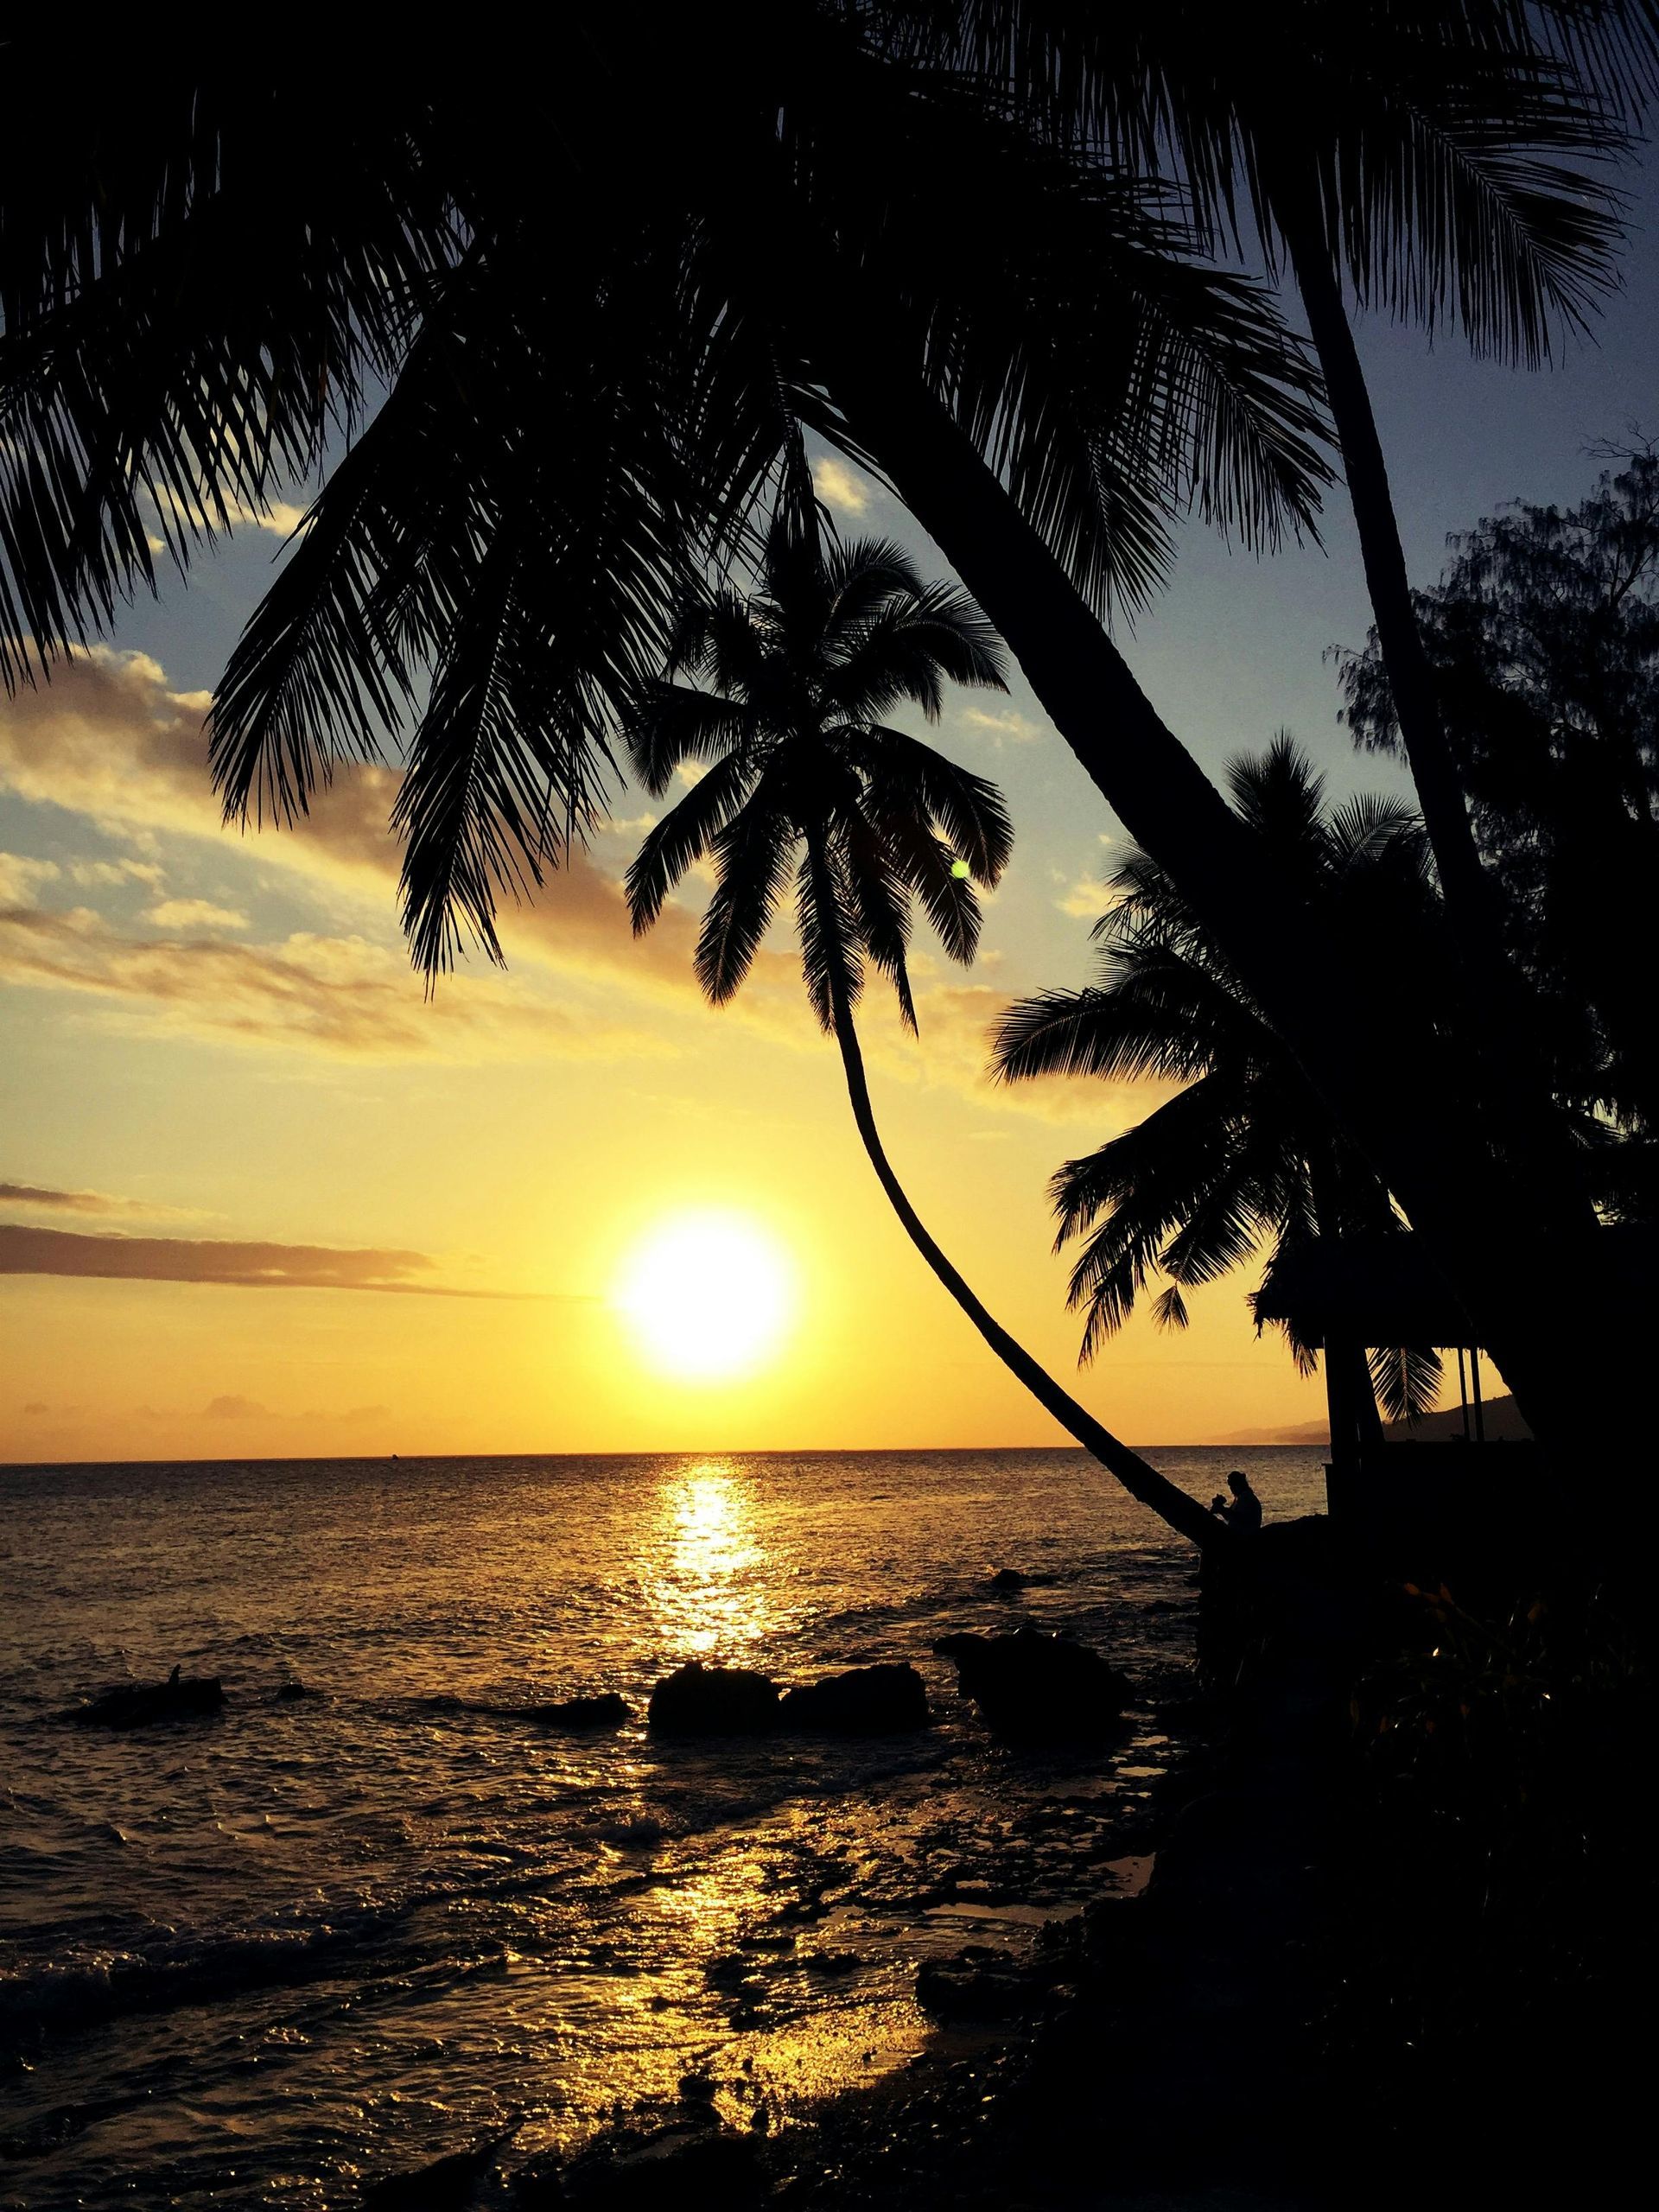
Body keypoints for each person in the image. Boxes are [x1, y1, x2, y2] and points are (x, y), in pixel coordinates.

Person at [1209, 1469, 1262, 1535]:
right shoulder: (1240, 1497)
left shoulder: (1246, 1497)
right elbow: (1231, 1517)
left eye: (1232, 1485)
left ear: (1238, 1485)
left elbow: (1240, 1518)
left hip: (1245, 1535)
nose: (1231, 1488)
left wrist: (1222, 1509)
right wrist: (1221, 1508)